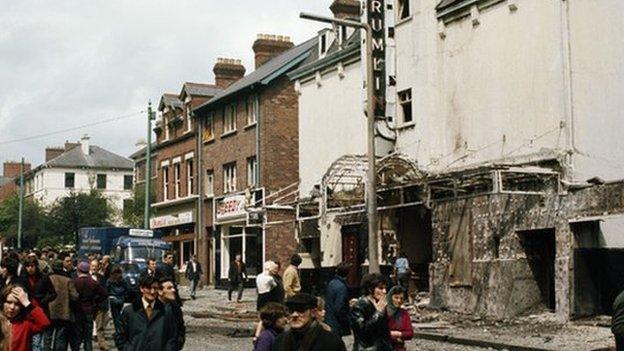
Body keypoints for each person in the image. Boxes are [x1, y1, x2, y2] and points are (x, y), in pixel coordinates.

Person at [115, 276, 177, 351]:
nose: (152, 292)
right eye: (149, 288)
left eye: (155, 288)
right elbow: (120, 336)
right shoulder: (130, 311)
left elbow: (172, 337)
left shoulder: (166, 311)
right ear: (142, 289)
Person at [272, 293, 346, 351]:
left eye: (300, 310)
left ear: (313, 312)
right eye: (291, 311)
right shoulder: (280, 340)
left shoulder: (331, 342)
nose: (294, 315)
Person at [1, 284, 50, 351]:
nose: (12, 307)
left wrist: (26, 303)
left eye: (17, 304)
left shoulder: (25, 324)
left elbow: (45, 323)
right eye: (9, 302)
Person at [350, 273, 392, 351]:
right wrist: (378, 313)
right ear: (370, 289)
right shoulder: (359, 306)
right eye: (381, 288)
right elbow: (362, 331)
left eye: (385, 288)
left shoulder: (380, 304)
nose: (384, 291)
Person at [22, 256, 56, 351]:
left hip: (40, 311)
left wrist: (44, 300)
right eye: (28, 266)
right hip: (26, 312)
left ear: (36, 266)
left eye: (32, 266)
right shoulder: (23, 278)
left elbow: (53, 293)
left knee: (37, 342)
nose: (30, 268)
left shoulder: (44, 278)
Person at [73, 261, 108, 351]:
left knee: (77, 336)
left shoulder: (75, 282)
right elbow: (104, 294)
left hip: (77, 311)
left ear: (79, 271)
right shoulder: (93, 282)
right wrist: (95, 300)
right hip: (89, 310)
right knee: (88, 338)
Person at [48, 259, 79, 351]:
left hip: (49, 311)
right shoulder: (67, 280)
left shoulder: (47, 278)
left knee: (48, 336)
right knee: (60, 337)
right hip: (63, 311)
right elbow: (75, 296)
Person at [158, 277, 185, 350]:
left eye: (173, 287)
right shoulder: (152, 308)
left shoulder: (175, 307)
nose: (173, 290)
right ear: (160, 291)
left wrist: (179, 342)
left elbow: (181, 326)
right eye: (169, 288)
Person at [325, 262, 351, 337]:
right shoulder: (342, 287)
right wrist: (347, 321)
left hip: (329, 320)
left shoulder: (331, 283)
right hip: (336, 324)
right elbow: (339, 308)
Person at [386, 286, 413, 351]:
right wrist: (395, 338)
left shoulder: (404, 313)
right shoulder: (383, 312)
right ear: (390, 297)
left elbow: (410, 333)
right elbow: (379, 333)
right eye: (396, 297)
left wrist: (398, 334)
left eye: (401, 298)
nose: (399, 301)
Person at [107, 266, 129, 347]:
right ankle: (120, 329)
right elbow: (127, 289)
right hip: (121, 299)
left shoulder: (110, 280)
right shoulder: (123, 280)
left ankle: (118, 331)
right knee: (119, 315)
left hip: (113, 299)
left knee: (115, 316)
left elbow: (107, 289)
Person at [90, 259, 109, 351]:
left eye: (95, 266)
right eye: (92, 265)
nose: (93, 268)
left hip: (99, 305)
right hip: (88, 305)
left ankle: (102, 344)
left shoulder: (102, 278)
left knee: (100, 325)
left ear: (98, 267)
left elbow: (104, 292)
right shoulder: (86, 277)